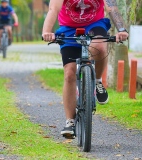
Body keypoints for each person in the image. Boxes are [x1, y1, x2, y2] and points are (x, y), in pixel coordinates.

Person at [42, 0, 129, 137]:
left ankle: (97, 81)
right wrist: (46, 31)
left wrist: (122, 30)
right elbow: (53, 9)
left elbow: (111, 7)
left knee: (100, 47)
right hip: (69, 28)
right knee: (69, 74)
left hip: (95, 25)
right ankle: (70, 122)